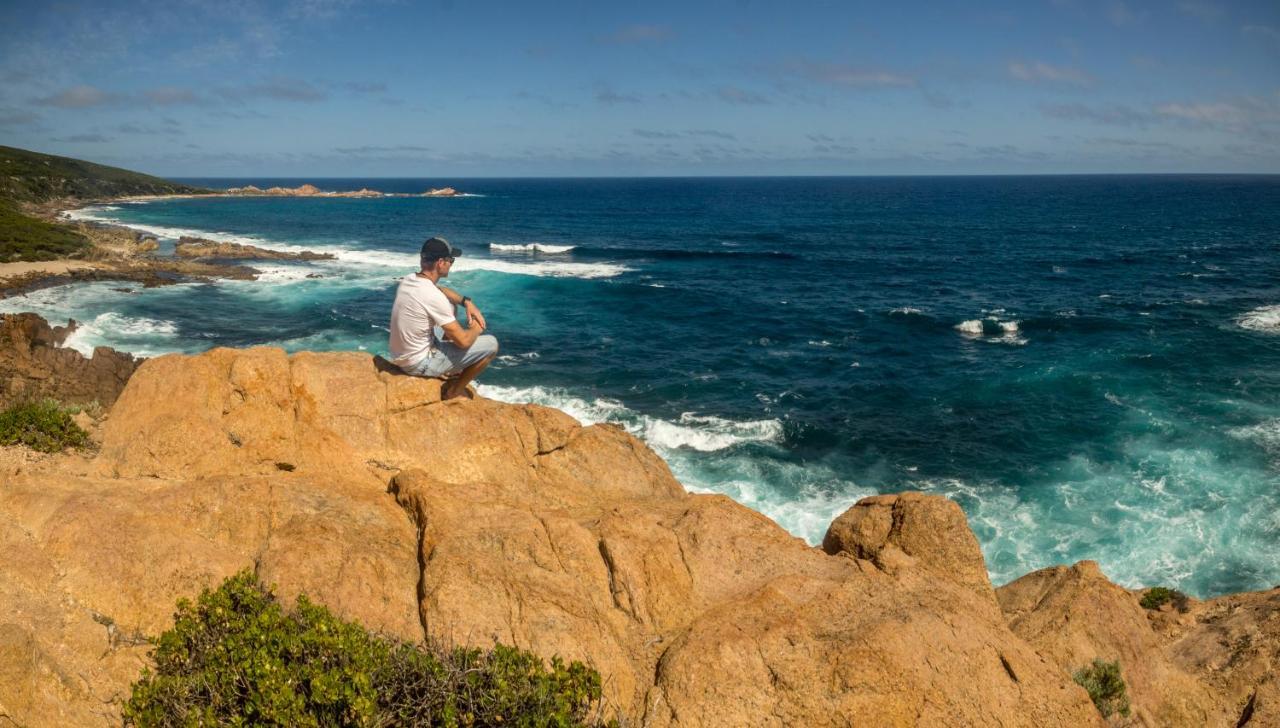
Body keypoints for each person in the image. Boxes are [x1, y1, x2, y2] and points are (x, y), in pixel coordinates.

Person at [388, 237, 498, 400]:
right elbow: (464, 342)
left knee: (451, 305)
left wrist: (466, 302)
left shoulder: (410, 279)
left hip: (401, 355)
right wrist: (477, 326)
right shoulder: (432, 296)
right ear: (441, 263)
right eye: (451, 260)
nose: (452, 264)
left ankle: (449, 368)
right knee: (492, 345)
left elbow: (442, 290)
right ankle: (454, 391)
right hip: (419, 364)